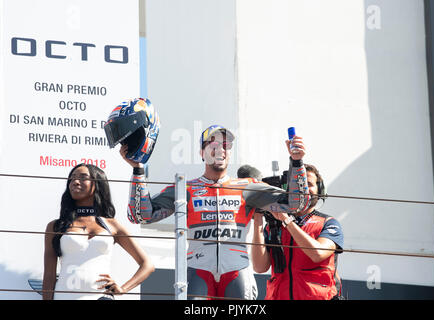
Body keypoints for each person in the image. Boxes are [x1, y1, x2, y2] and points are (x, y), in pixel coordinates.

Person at [121, 124, 311, 300]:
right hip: (198, 269)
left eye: (226, 145)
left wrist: (297, 162)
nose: (220, 150)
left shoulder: (248, 187)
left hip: (237, 271)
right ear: (202, 153)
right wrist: (138, 170)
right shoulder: (185, 188)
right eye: (213, 144)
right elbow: (140, 215)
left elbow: (297, 205)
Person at [43, 163, 154, 300]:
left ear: (97, 184)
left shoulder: (112, 225)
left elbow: (147, 265)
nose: (75, 182)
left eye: (83, 178)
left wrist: (123, 289)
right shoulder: (56, 226)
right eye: (72, 178)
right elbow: (49, 276)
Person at [251, 163, 344, 300]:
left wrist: (286, 220)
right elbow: (259, 267)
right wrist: (258, 217)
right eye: (299, 185)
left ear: (320, 190)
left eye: (310, 184)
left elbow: (317, 253)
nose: (304, 189)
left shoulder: (328, 223)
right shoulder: (273, 225)